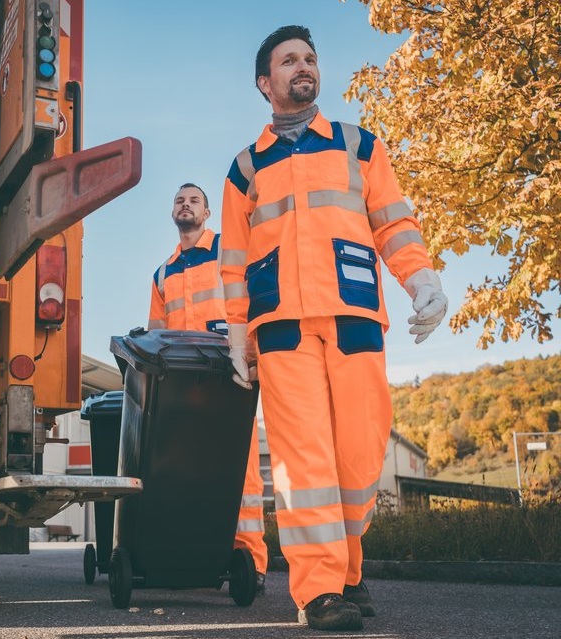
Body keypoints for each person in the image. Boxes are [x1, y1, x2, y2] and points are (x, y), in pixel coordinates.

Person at [219, 26, 448, 631]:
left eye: (310, 58)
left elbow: (394, 225)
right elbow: (233, 263)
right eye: (289, 60)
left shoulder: (359, 146)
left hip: (354, 321)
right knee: (303, 463)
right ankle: (318, 592)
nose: (304, 67)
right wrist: (237, 337)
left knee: (360, 456)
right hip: (283, 331)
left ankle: (348, 570)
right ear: (265, 83)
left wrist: (421, 279)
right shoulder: (245, 169)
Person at [148, 183, 268, 594]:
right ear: (172, 212)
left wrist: (252, 355)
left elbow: (253, 301)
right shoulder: (163, 272)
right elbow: (155, 333)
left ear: (208, 212)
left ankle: (250, 559)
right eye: (179, 200)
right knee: (188, 468)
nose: (186, 205)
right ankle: (195, 555)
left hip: (230, 371)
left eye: (193, 200)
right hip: (183, 382)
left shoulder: (229, 253)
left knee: (243, 469)